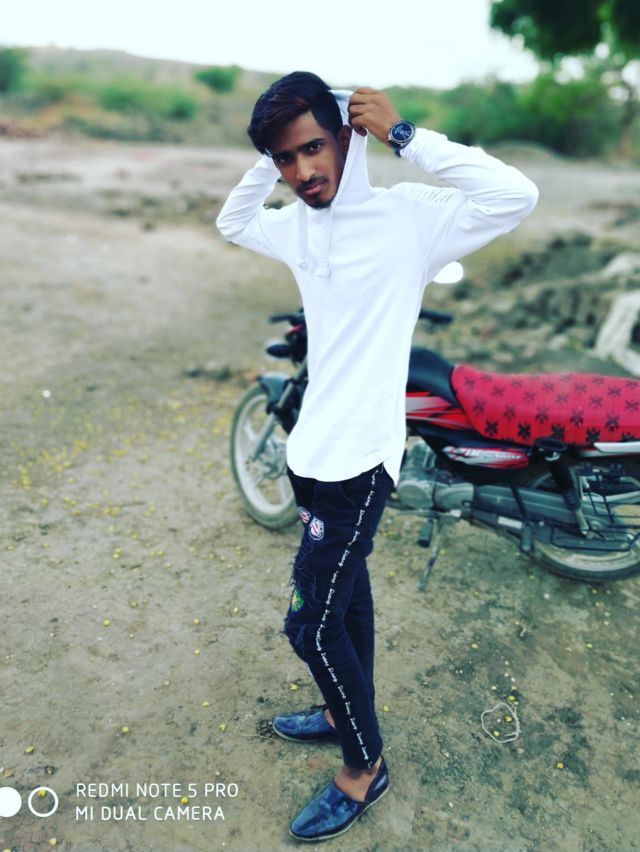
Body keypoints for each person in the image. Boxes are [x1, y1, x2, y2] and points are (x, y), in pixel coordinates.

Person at [216, 71, 538, 842]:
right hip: (310, 452)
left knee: (310, 625)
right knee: (346, 599)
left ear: (346, 135)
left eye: (312, 148)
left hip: (361, 462)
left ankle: (365, 767)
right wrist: (269, 151)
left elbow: (516, 195)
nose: (302, 172)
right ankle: (340, 712)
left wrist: (405, 136)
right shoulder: (296, 223)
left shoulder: (408, 219)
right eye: (286, 159)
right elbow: (232, 220)